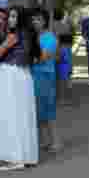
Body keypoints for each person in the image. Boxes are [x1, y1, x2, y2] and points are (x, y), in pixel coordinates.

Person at [0, 6, 39, 172]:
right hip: (22, 75)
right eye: (9, 16)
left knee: (10, 116)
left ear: (20, 19)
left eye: (13, 16)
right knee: (22, 116)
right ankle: (25, 155)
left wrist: (2, 44)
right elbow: (36, 57)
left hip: (10, 75)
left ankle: (15, 158)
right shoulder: (28, 34)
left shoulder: (13, 35)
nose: (9, 20)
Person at [30, 9, 61, 153]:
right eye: (33, 19)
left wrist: (29, 59)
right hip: (34, 76)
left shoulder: (50, 38)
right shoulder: (33, 37)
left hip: (45, 76)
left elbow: (42, 57)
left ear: (44, 21)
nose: (35, 22)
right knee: (37, 110)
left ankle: (55, 141)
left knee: (48, 109)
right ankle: (42, 141)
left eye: (38, 19)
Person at [52, 9, 75, 106]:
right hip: (65, 51)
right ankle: (62, 98)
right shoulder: (66, 26)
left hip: (54, 51)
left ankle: (54, 97)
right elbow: (70, 41)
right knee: (63, 76)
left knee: (54, 76)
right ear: (62, 17)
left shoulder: (51, 26)